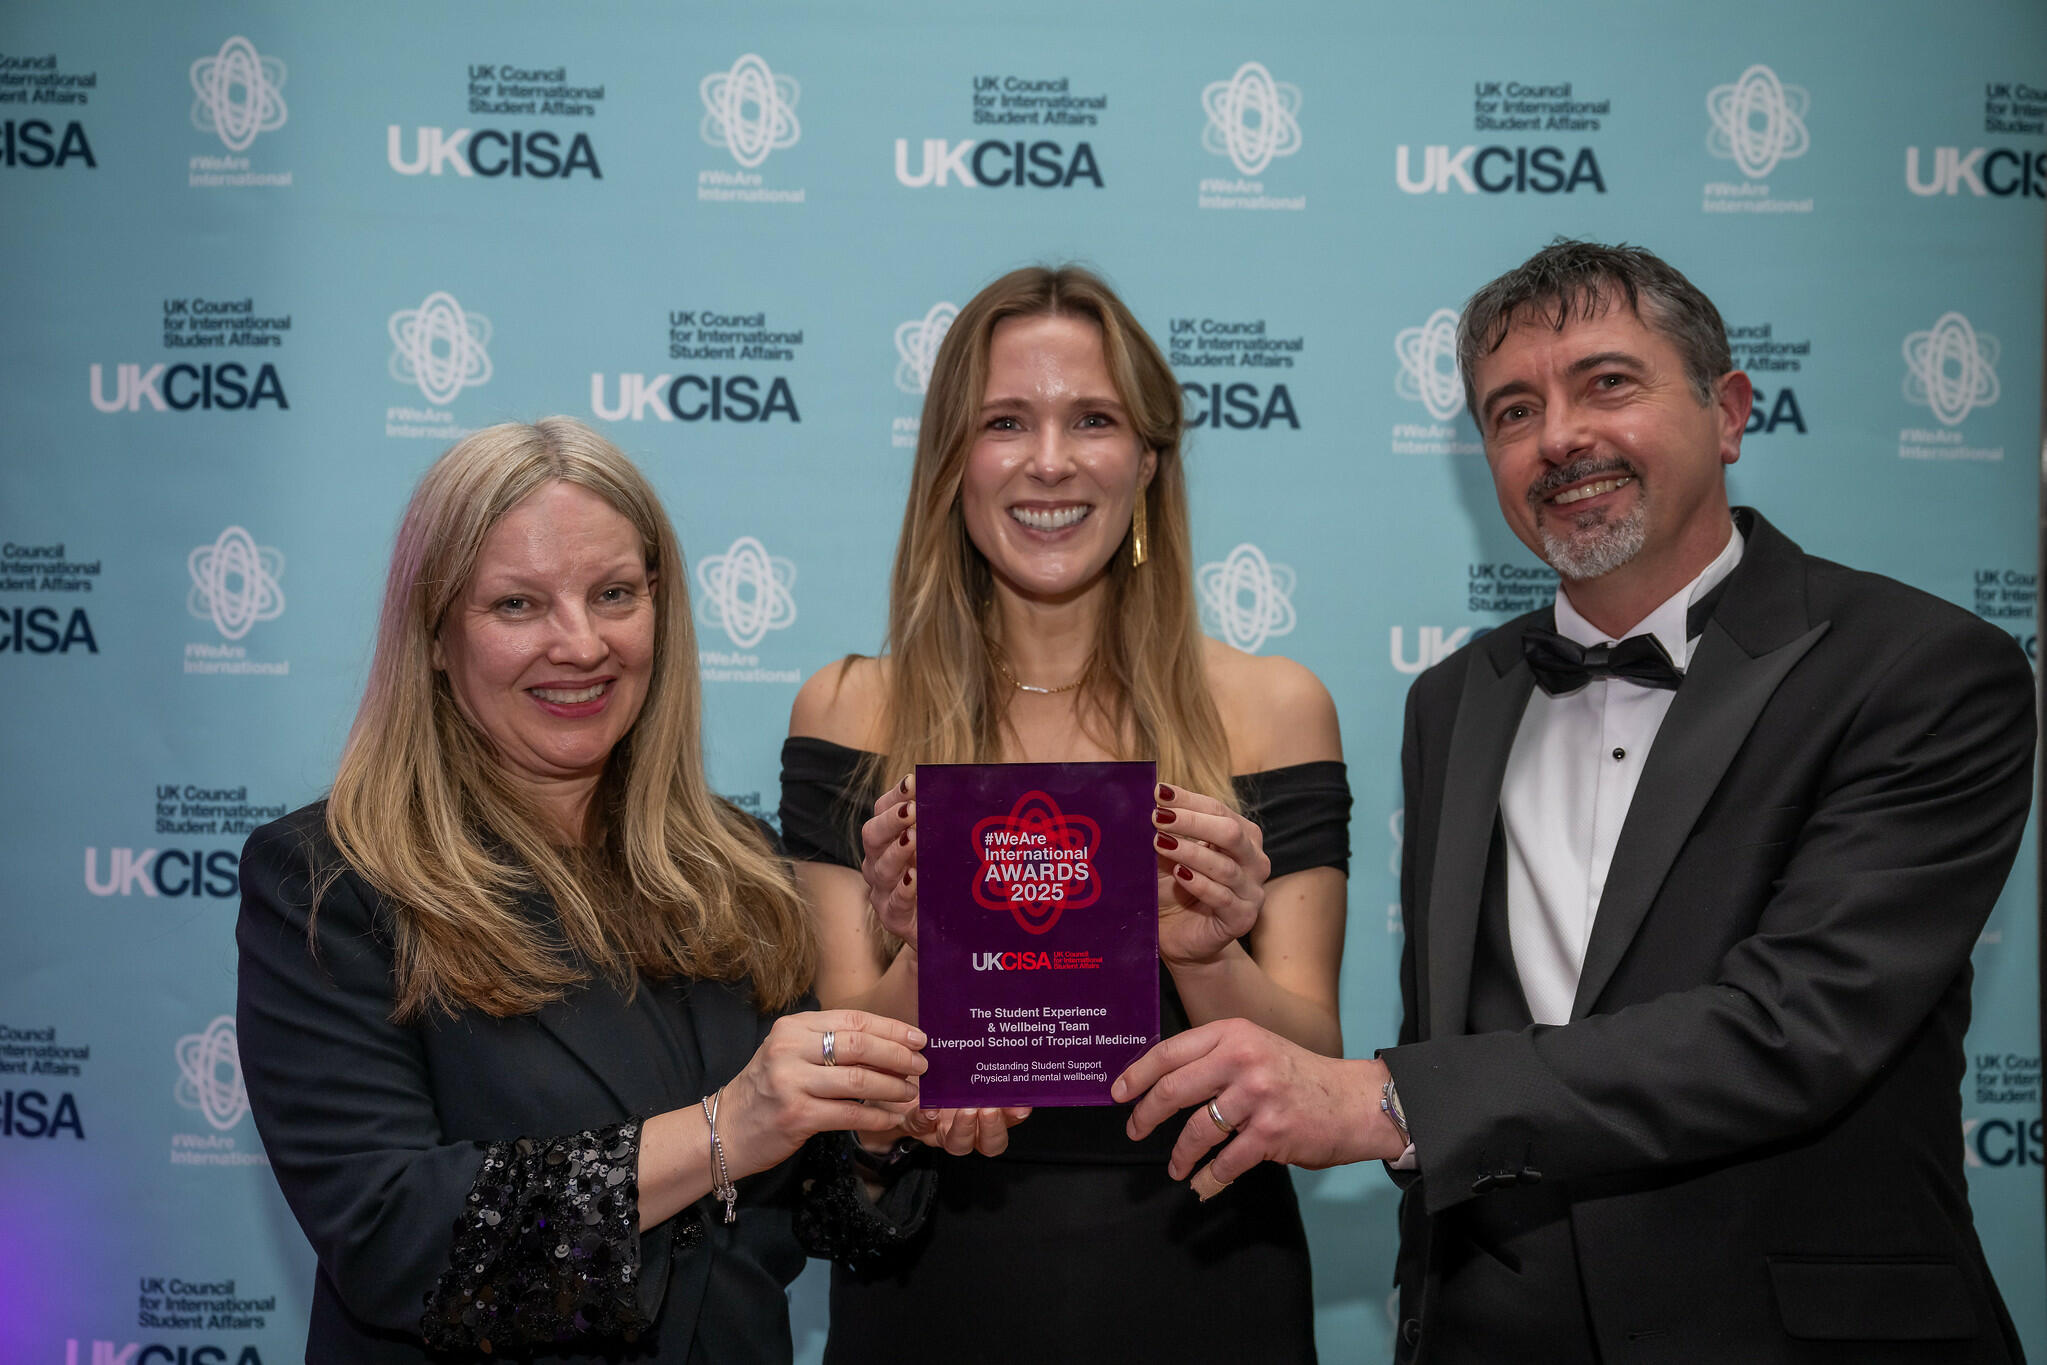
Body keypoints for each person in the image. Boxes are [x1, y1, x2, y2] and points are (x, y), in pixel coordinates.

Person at [1114, 240, 2033, 1362]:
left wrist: (1385, 1102)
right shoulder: (1453, 700)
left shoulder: (1924, 668)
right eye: (1511, 411)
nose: (1557, 438)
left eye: (1607, 383)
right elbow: (1454, 1019)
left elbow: (1796, 1024)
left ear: (1730, 412)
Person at [237, 417, 930, 1365]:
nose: (580, 643)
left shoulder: (736, 865)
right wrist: (725, 1129)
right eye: (518, 605)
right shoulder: (329, 882)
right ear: (434, 636)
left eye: (613, 594)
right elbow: (397, 1239)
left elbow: (807, 1213)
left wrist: (878, 1140)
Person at [779, 264, 1352, 1362]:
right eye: (1005, 422)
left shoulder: (1274, 710)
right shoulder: (852, 709)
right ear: (953, 462)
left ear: (1147, 460)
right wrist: (918, 962)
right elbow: (846, 1091)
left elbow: (1314, 1060)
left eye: (1091, 418)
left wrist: (1204, 955)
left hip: (1206, 1271)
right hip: (936, 1279)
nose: (1049, 461)